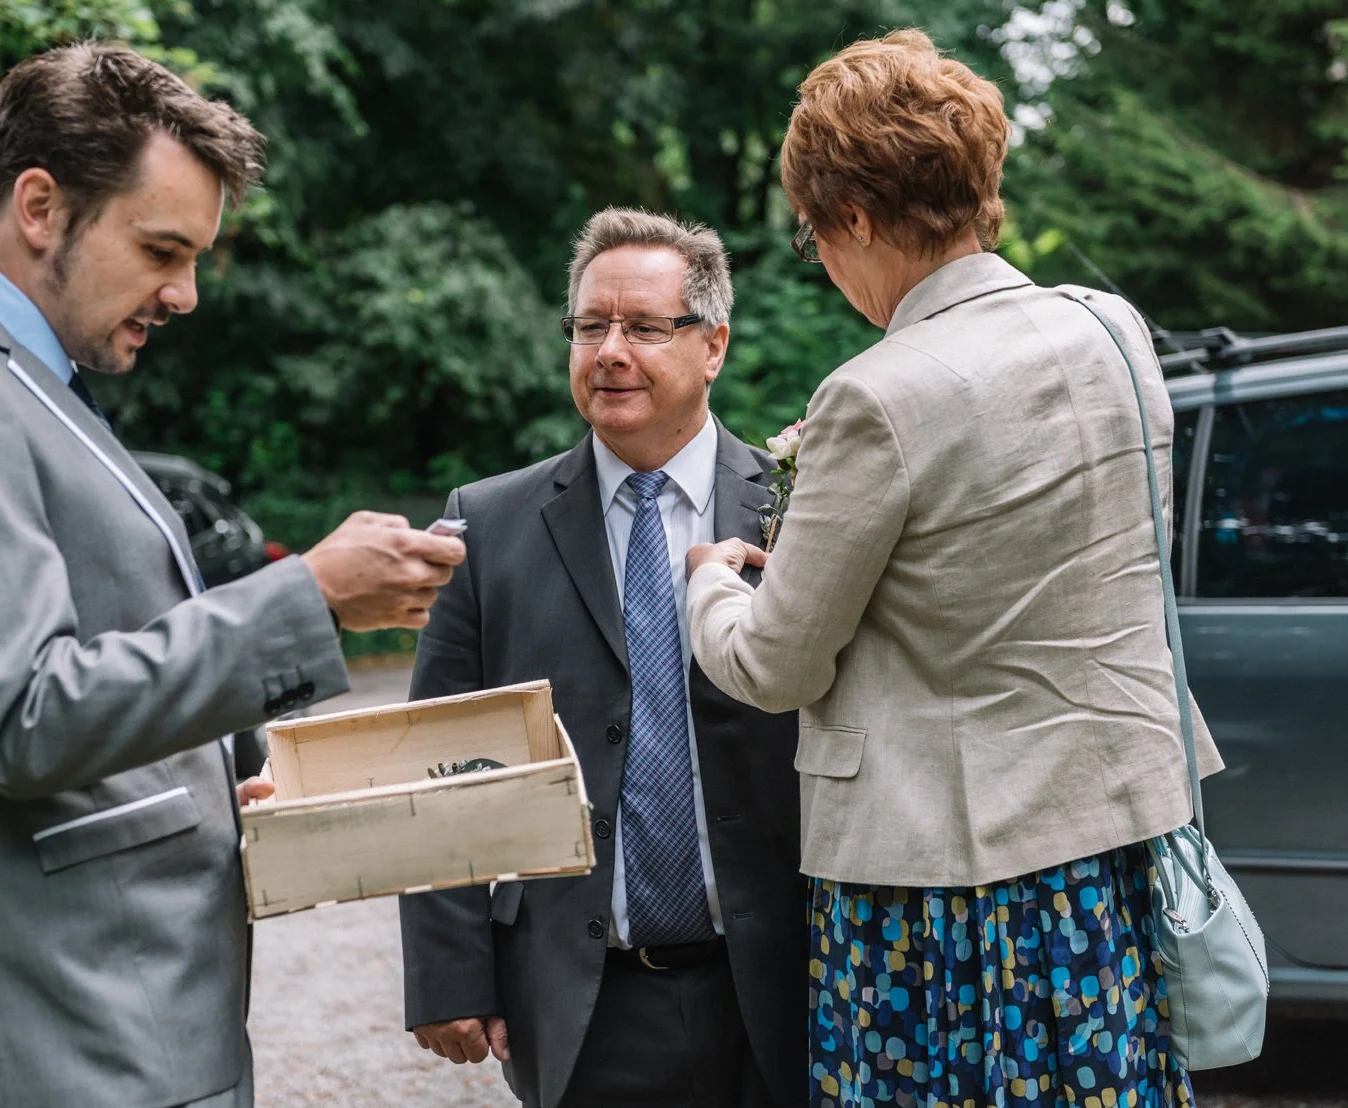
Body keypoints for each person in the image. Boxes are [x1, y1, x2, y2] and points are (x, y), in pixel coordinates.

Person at [0, 43, 465, 1108]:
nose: (187, 292)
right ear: (39, 206)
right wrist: (311, 596)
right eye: (162, 248)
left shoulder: (25, 380)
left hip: (125, 1032)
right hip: (71, 1047)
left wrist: (244, 771)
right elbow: (25, 712)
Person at [684, 30, 1223, 1107]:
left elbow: (777, 665)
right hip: (1110, 843)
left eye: (814, 234)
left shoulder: (877, 395)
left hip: (942, 881)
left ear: (855, 217)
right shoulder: (1110, 331)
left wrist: (708, 577)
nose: (823, 262)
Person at [398, 208, 805, 1108]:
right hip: (582, 994)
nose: (609, 350)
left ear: (714, 346)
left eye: (644, 327)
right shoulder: (492, 524)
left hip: (781, 981)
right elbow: (437, 765)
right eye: (590, 325)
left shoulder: (799, 509)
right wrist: (445, 975)